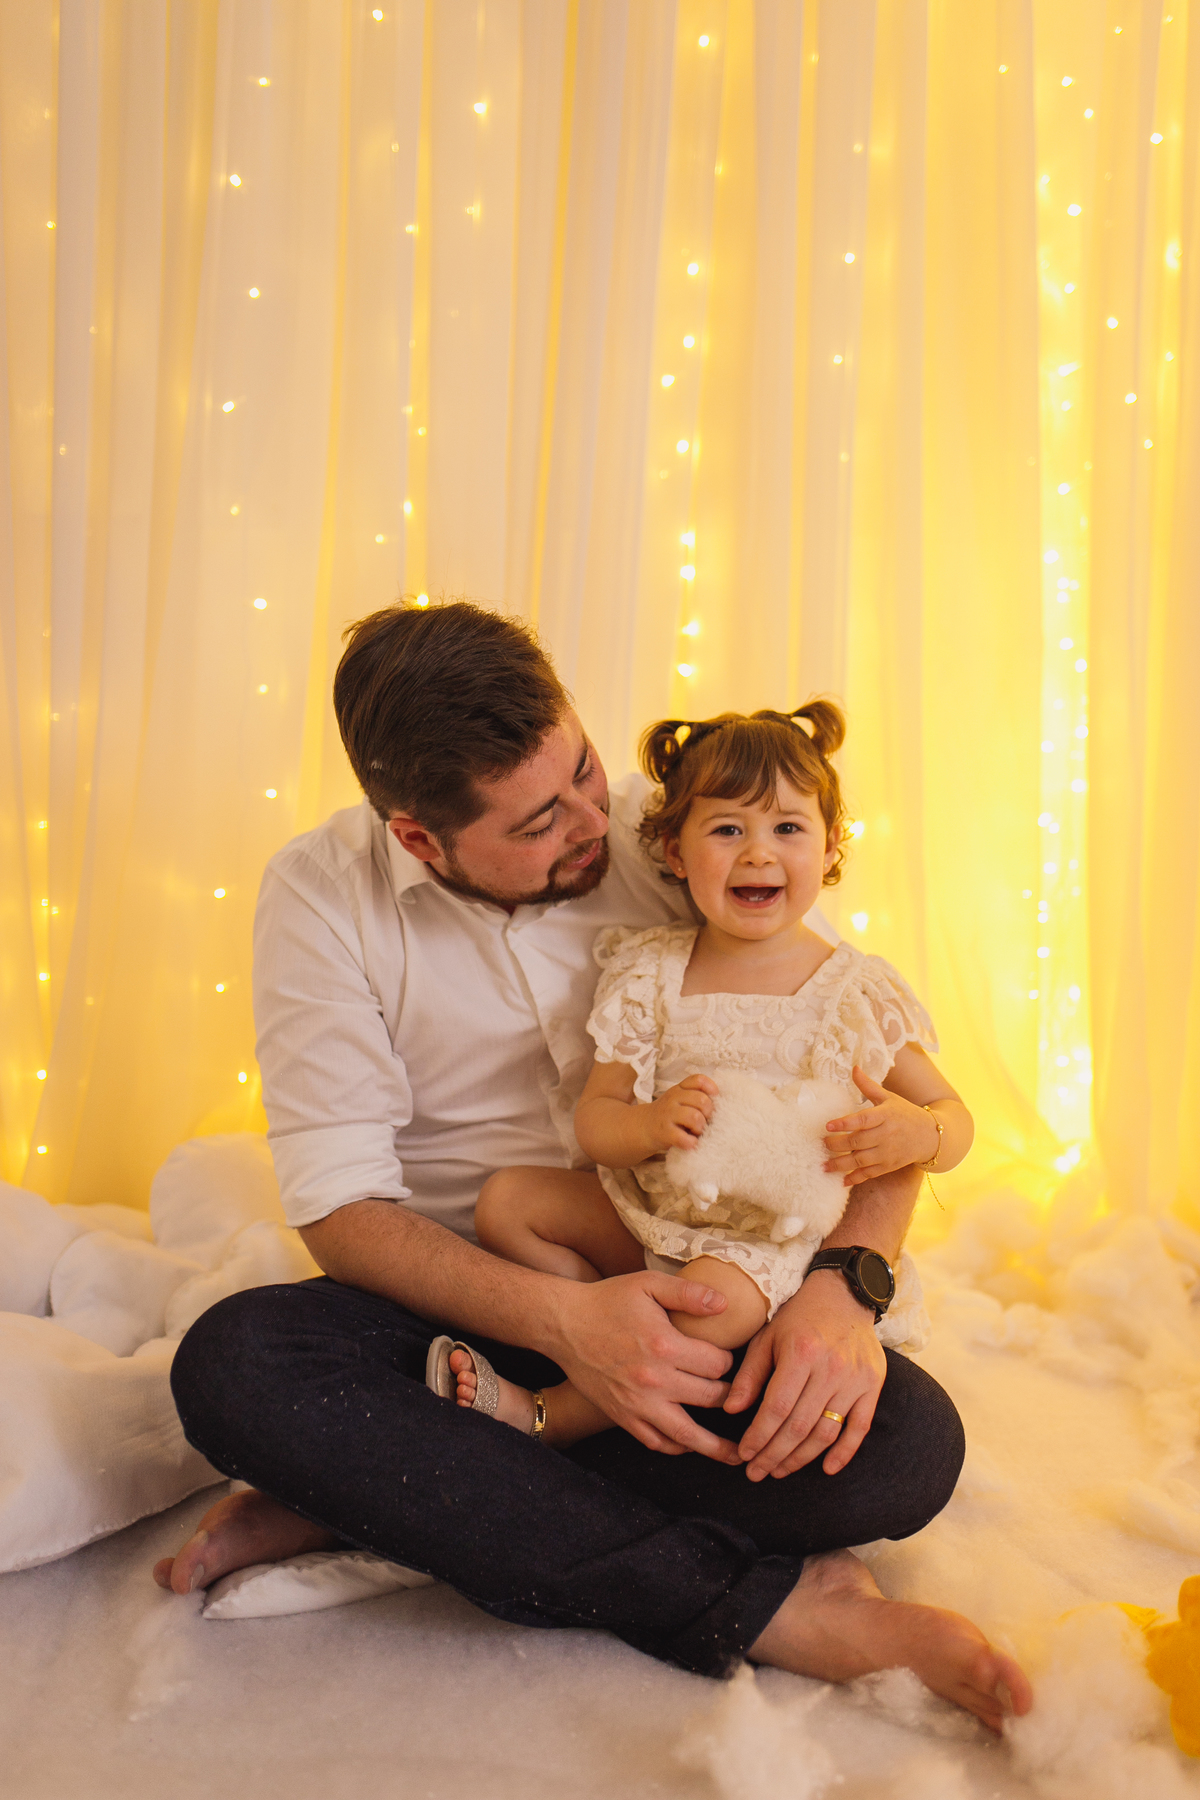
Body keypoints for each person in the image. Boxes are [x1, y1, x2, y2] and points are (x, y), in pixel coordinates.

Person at [157, 600, 1031, 1732]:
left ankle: (398, 1490)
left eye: (581, 769)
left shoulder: (685, 837)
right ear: (422, 838)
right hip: (468, 1290)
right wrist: (574, 1328)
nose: (589, 824)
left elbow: (859, 1084)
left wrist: (841, 1290)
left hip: (707, 1281)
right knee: (236, 1367)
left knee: (906, 1449)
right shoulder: (322, 898)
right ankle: (770, 1610)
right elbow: (338, 1209)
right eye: (536, 822)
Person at [443, 702, 972, 1455]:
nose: (758, 853)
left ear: (829, 850)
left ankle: (554, 1414)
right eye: (728, 829)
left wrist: (924, 1131)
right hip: (650, 1217)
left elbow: (953, 1117)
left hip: (768, 1250)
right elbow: (598, 1118)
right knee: (507, 1203)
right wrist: (650, 1125)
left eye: (788, 828)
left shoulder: (854, 992)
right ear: (675, 851)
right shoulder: (649, 971)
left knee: (712, 1299)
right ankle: (599, 1332)